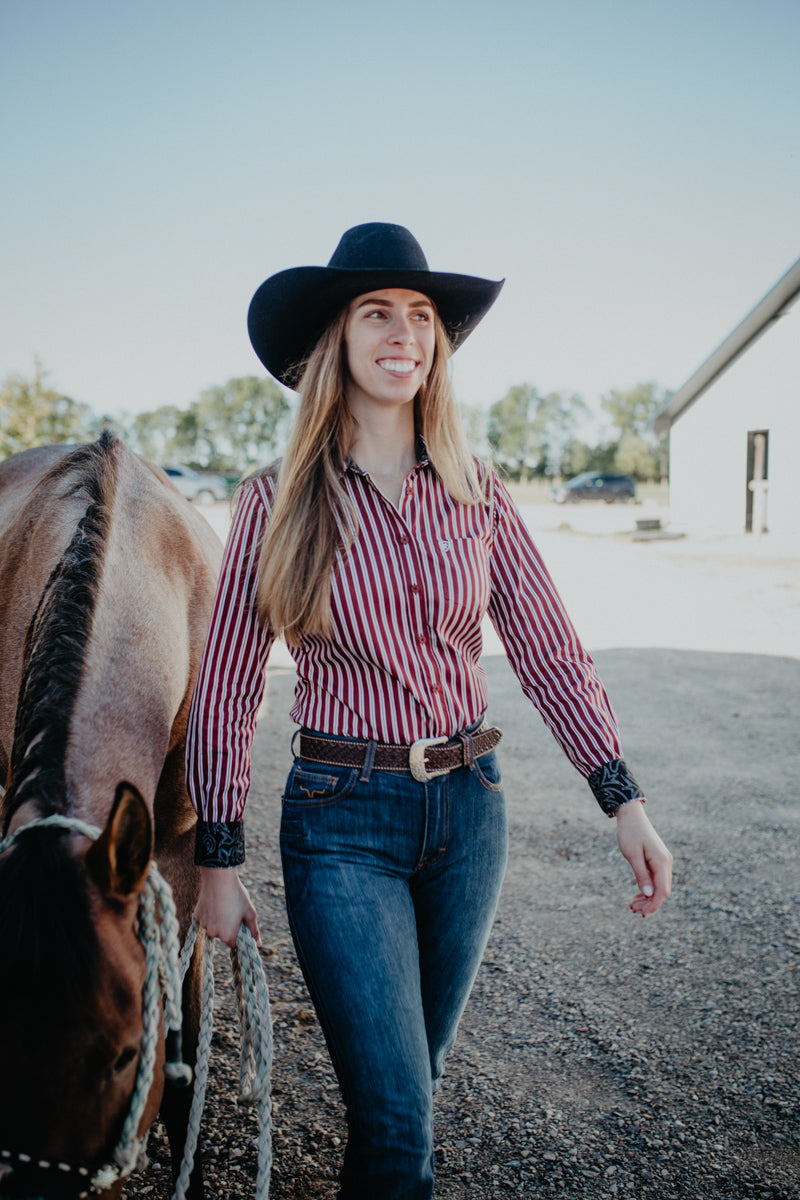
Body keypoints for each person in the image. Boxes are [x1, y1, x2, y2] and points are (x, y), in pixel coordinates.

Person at [186, 222, 673, 1199]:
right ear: (335, 340)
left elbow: (547, 651)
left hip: (468, 814)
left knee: (409, 1090)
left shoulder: (477, 493)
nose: (402, 333)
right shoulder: (272, 501)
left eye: (419, 317)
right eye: (376, 313)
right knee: (402, 1125)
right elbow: (229, 684)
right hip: (338, 822)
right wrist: (217, 859)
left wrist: (621, 799)